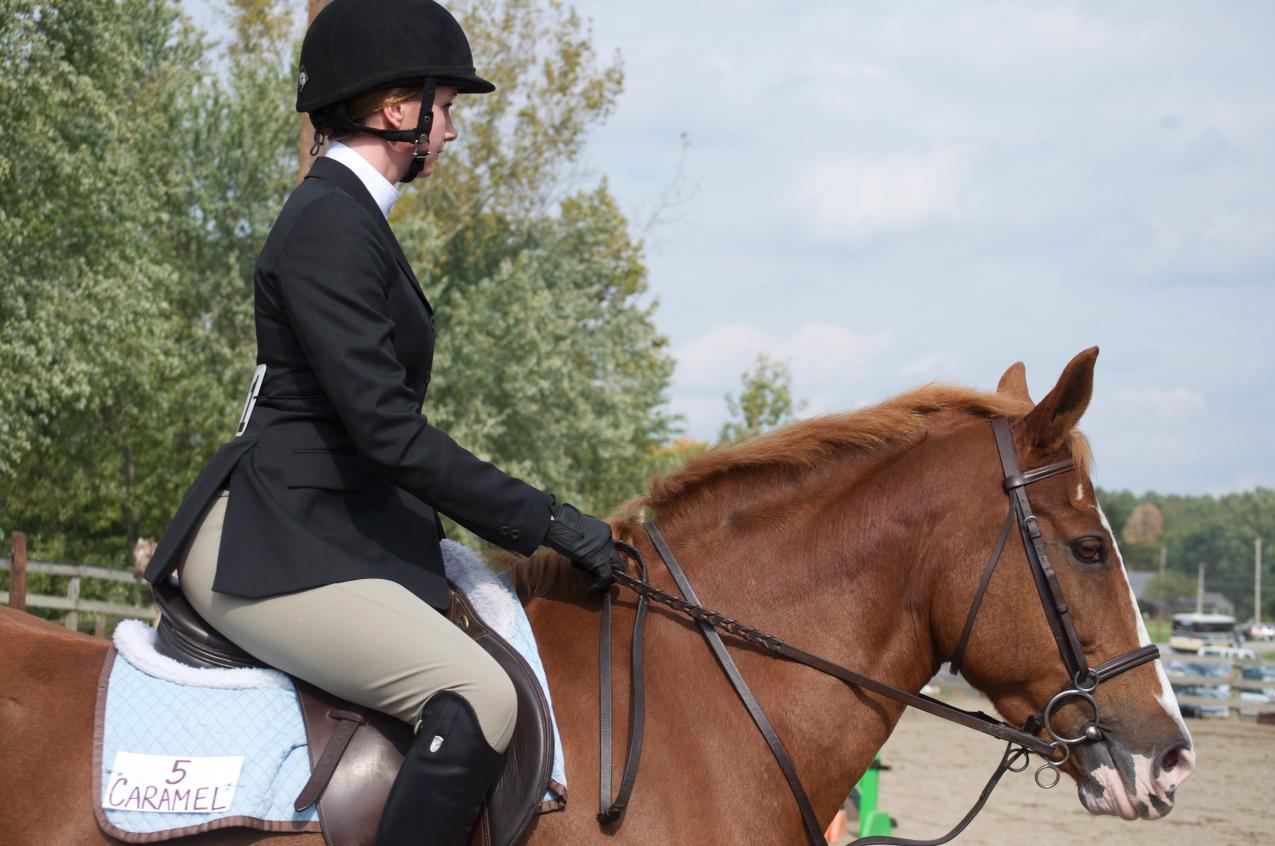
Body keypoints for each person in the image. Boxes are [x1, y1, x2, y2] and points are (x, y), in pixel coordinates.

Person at [143, 1, 624, 843]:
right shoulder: (329, 223)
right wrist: (546, 520)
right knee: (476, 695)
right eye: (444, 110)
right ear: (399, 111)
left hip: (324, 529)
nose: (450, 131)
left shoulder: (349, 219)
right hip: (272, 547)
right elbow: (388, 433)